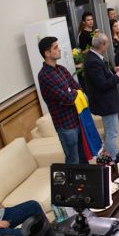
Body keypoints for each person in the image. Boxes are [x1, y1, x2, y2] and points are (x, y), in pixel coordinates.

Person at [36, 36, 83, 165]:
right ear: (47, 53)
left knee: (83, 158)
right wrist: (72, 93)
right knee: (73, 161)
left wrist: (71, 92)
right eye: (55, 48)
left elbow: (78, 88)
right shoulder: (44, 75)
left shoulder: (61, 69)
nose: (59, 49)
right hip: (65, 125)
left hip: (77, 119)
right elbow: (67, 98)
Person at [82, 33, 119, 155]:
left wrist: (113, 71)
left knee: (111, 132)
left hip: (106, 102)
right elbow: (102, 84)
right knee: (111, 133)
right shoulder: (93, 61)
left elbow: (102, 74)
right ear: (103, 44)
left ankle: (110, 158)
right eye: (107, 44)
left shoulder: (94, 57)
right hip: (105, 103)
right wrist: (117, 77)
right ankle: (114, 160)